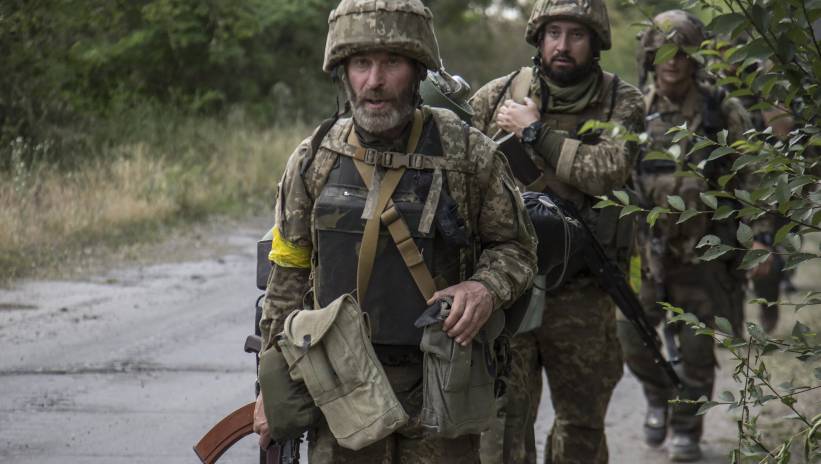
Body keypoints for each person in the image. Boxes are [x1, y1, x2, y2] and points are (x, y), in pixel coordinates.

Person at [251, 0, 538, 462]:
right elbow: (287, 274)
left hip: (441, 388)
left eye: (392, 63)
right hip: (340, 391)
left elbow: (517, 248)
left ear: (418, 69)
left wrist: (484, 288)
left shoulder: (468, 153)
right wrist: (270, 383)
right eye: (361, 63)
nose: (375, 81)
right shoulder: (314, 158)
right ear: (343, 72)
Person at [469, 0, 645, 462]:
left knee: (581, 427)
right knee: (503, 428)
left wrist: (535, 133)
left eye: (576, 35)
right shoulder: (497, 96)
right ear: (539, 37)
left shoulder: (621, 101)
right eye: (554, 33)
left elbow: (607, 170)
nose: (562, 45)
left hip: (584, 293)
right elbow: (459, 170)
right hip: (511, 288)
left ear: (596, 42)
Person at [623, 10, 772, 461]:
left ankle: (687, 427)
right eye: (663, 51)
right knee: (631, 337)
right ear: (651, 55)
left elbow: (754, 175)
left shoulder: (721, 110)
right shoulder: (633, 109)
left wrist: (761, 238)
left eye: (682, 51)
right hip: (644, 253)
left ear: (695, 57)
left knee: (696, 349)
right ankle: (658, 397)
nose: (672, 60)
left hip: (704, 253)